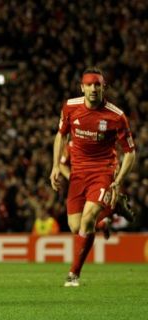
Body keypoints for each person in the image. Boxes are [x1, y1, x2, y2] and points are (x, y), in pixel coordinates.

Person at [50, 67, 136, 287]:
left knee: (87, 221)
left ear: (103, 87)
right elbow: (60, 136)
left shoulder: (116, 116)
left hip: (103, 171)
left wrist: (118, 181)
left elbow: (130, 152)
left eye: (97, 84)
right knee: (75, 226)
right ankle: (112, 209)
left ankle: (73, 275)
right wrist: (55, 167)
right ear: (82, 87)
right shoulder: (70, 107)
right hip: (78, 174)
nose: (93, 88)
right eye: (89, 84)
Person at [59, 140, 135, 239]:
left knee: (87, 218)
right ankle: (103, 222)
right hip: (79, 185)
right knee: (76, 227)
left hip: (98, 179)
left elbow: (112, 154)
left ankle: (114, 207)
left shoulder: (97, 138)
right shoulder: (71, 145)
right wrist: (73, 179)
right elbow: (62, 164)